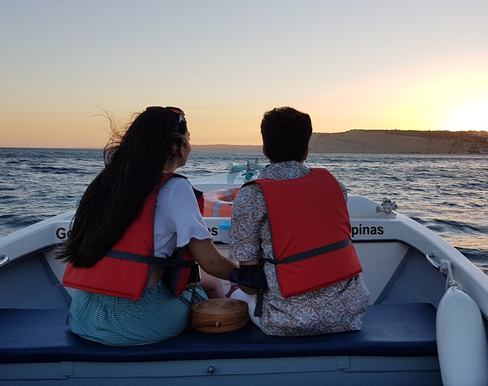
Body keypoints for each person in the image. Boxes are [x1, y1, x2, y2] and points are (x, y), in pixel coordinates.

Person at [58, 106, 238, 346]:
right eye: (188, 140)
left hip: (82, 313)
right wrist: (248, 275)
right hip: (135, 322)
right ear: (178, 147)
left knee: (200, 280)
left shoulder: (106, 182)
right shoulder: (175, 188)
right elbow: (212, 262)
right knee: (212, 289)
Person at [229, 107, 369, 336]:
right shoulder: (336, 187)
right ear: (306, 151)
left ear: (265, 150)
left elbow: (249, 283)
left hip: (287, 321)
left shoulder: (251, 196)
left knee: (235, 293)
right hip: (350, 313)